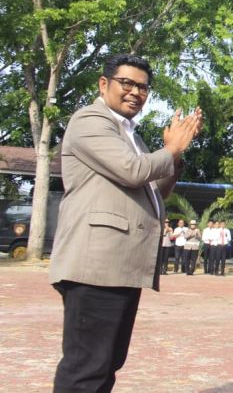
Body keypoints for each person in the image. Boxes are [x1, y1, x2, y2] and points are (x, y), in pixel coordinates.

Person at [48, 54, 202, 392]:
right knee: (85, 368)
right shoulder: (90, 120)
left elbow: (152, 192)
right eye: (127, 83)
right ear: (104, 84)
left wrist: (172, 159)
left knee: (106, 364)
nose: (135, 92)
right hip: (94, 266)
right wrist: (172, 149)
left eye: (143, 87)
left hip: (120, 266)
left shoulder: (130, 134)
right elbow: (133, 171)